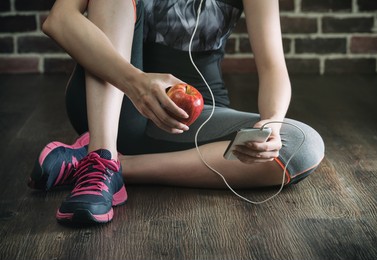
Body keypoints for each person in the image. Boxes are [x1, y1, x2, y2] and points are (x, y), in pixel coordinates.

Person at [28, 0, 324, 224]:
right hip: (111, 102)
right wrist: (135, 82)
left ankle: (109, 166)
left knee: (301, 144)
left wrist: (270, 123)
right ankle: (102, 152)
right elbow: (59, 20)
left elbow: (273, 67)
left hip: (192, 119)